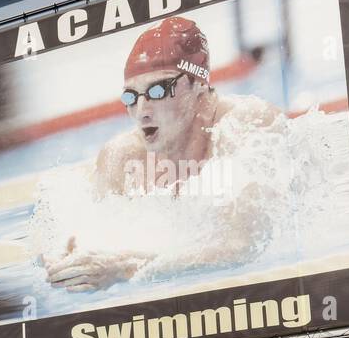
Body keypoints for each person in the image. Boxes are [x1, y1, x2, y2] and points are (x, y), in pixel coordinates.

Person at [42, 16, 281, 293]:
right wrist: (65, 257)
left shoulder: (247, 125)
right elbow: (94, 243)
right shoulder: (121, 156)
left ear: (198, 84)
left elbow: (242, 245)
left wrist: (127, 267)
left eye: (159, 90)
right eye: (131, 96)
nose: (141, 111)